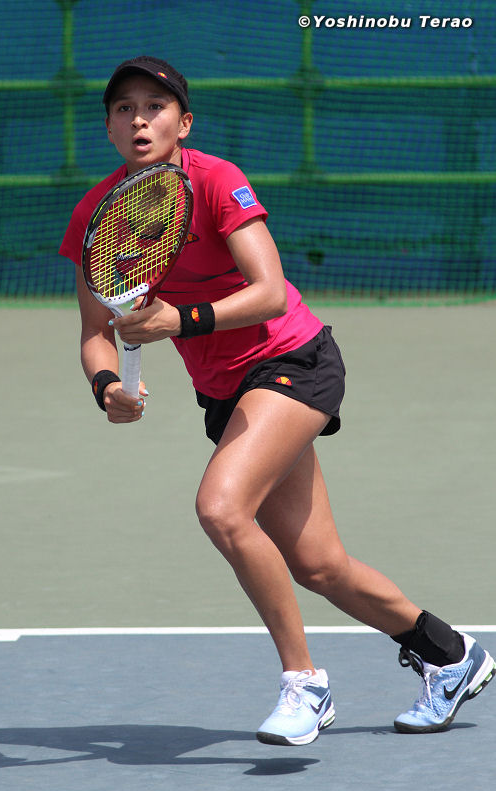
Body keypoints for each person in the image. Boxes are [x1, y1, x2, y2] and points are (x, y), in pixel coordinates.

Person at [59, 55, 495, 746]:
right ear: (108, 127)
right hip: (226, 394)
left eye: (155, 107)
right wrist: (107, 385)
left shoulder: (215, 180)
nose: (140, 119)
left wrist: (181, 320)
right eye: (124, 109)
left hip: (292, 360)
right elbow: (95, 333)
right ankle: (451, 654)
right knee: (319, 564)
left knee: (221, 508)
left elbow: (267, 291)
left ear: (184, 122)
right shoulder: (97, 216)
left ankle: (304, 684)